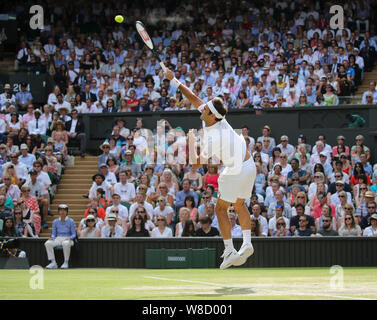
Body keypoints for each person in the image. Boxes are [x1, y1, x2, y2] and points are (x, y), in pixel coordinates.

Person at [165, 68, 256, 269]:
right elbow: (194, 98)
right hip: (250, 166)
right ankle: (247, 243)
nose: (202, 108)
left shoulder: (214, 138)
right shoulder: (217, 118)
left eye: (205, 109)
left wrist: (190, 141)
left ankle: (230, 249)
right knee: (240, 205)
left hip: (236, 170)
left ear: (211, 116)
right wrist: (174, 81)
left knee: (220, 208)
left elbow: (196, 164)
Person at [44, 204, 76, 269]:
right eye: (61, 210)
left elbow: (74, 234)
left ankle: (66, 262)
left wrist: (70, 238)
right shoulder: (55, 221)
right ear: (58, 212)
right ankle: (53, 262)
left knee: (65, 243)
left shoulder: (71, 221)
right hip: (58, 238)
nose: (62, 212)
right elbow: (53, 233)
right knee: (47, 243)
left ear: (67, 212)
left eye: (64, 210)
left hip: (68, 239)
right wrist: (52, 237)